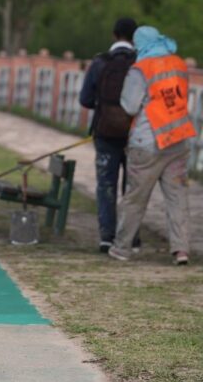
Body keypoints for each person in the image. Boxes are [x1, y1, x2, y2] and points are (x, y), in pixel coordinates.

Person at [108, 26, 196, 265]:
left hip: (148, 142)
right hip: (178, 139)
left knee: (135, 197)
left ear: (140, 45)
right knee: (177, 197)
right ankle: (181, 250)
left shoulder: (141, 69)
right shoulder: (179, 64)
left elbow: (129, 105)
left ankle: (122, 248)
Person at [79, 18, 141, 253]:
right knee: (133, 187)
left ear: (114, 35)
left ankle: (107, 237)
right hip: (135, 135)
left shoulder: (99, 63)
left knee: (106, 184)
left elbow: (85, 99)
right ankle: (131, 239)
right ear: (135, 37)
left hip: (105, 134)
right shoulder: (140, 64)